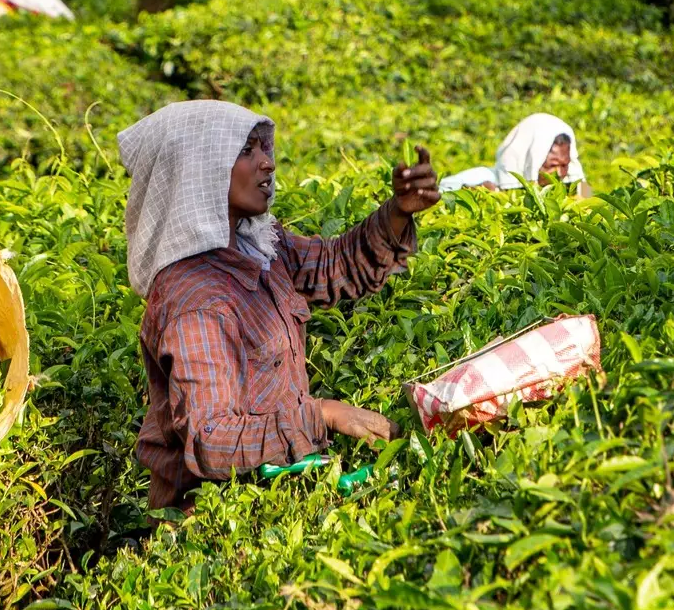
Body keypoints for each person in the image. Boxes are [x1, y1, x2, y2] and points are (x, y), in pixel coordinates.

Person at [118, 100, 441, 510]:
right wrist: (322, 414)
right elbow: (212, 441)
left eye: (263, 149)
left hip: (279, 495)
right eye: (246, 151)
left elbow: (334, 265)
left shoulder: (259, 245)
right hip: (212, 529)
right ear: (201, 169)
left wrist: (398, 212)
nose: (267, 163)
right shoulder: (196, 300)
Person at [439, 112, 592, 199]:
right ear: (531, 161)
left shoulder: (569, 181)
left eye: (564, 164)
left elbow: (590, 200)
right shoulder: (483, 180)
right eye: (552, 165)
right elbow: (435, 193)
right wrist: (470, 194)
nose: (559, 173)